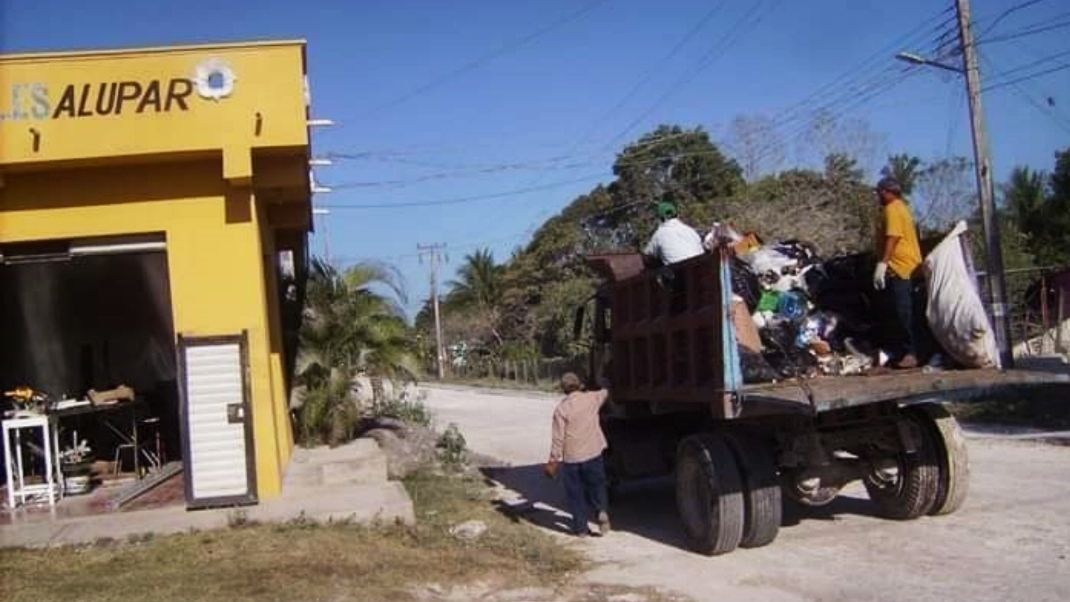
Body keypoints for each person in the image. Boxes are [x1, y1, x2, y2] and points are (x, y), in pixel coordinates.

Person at [545, 372, 611, 537]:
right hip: (593, 453)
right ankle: (601, 511)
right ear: (579, 384)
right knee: (597, 486)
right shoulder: (591, 399)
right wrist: (604, 379)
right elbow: (606, 390)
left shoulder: (561, 409)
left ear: (563, 389)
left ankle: (581, 529)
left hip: (572, 458)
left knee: (576, 494)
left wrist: (553, 460)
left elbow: (558, 439)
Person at [872, 176, 926, 369]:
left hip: (902, 268)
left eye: (879, 192)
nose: (878, 196)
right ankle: (902, 350)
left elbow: (893, 237)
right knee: (900, 311)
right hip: (908, 266)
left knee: (904, 312)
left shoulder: (892, 209)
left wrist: (883, 264)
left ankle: (911, 352)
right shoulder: (903, 208)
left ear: (887, 192)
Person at [642, 199, 705, 266]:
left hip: (681, 273)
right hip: (701, 269)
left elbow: (646, 256)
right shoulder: (691, 230)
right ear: (677, 215)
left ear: (660, 219)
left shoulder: (659, 234)